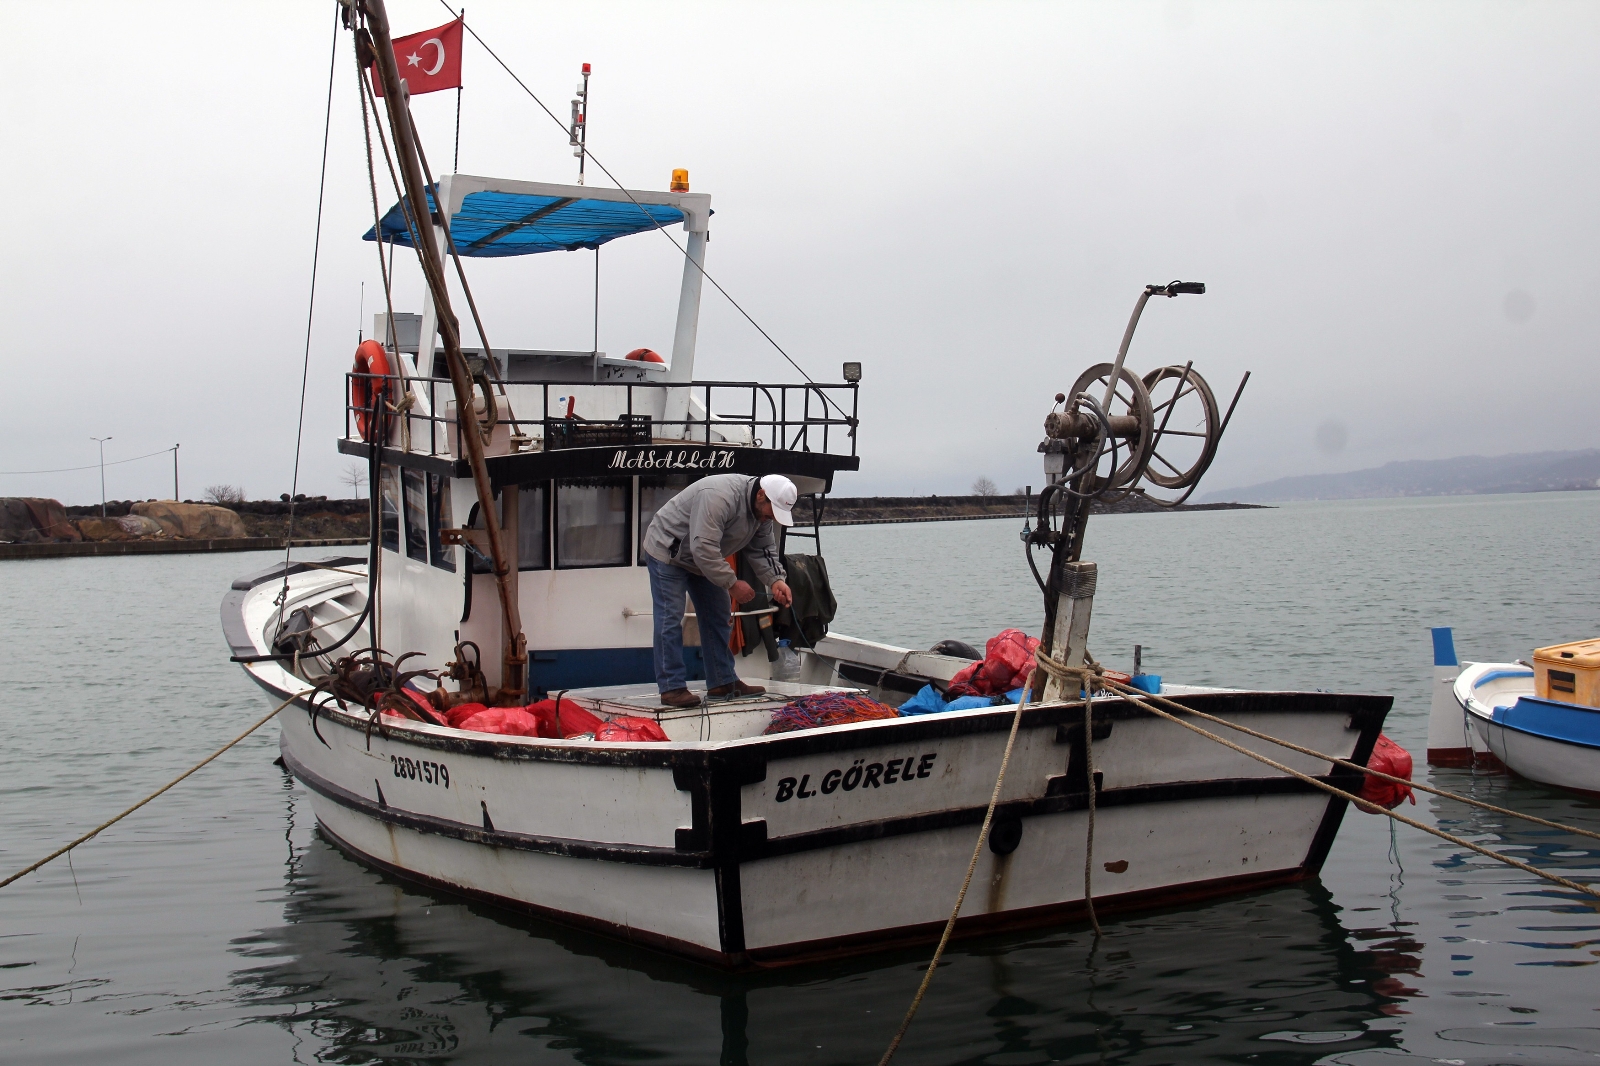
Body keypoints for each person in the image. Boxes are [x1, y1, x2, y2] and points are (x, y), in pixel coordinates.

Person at [641, 473, 797, 707]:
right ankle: (672, 687)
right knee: (670, 617)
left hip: (703, 558)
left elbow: (763, 549)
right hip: (668, 552)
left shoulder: (762, 514)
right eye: (770, 512)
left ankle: (722, 682)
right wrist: (733, 584)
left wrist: (777, 580)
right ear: (761, 495)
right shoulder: (719, 497)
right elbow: (703, 546)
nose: (769, 518)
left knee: (718, 614)